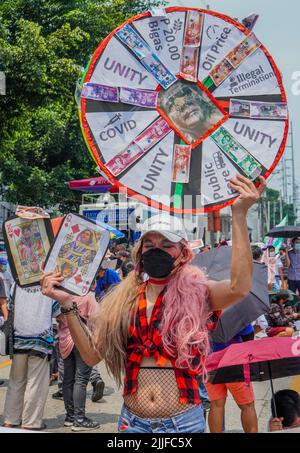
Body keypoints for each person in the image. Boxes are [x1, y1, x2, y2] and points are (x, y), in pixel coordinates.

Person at [41, 175, 266, 434]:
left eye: (166, 245)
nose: (155, 250)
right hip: (132, 423)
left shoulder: (197, 293)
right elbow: (92, 355)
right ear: (140, 252)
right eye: (149, 244)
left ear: (183, 253)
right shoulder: (122, 300)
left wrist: (239, 214)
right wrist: (68, 304)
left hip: (183, 425)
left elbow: (239, 286)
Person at [3, 284, 61, 430]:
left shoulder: (16, 283)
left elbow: (10, 307)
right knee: (35, 383)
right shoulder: (48, 283)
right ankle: (31, 422)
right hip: (40, 338)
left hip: (18, 337)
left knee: (16, 381)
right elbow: (57, 311)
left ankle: (11, 419)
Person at [56, 291, 101, 431]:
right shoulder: (87, 295)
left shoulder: (60, 295)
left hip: (64, 340)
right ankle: (79, 419)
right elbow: (96, 318)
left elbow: (55, 316)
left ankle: (70, 417)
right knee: (81, 379)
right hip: (82, 339)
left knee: (68, 380)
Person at [206, 327, 258, 433]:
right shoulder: (235, 313)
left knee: (216, 405)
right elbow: (248, 334)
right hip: (234, 361)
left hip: (209, 362)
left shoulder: (202, 314)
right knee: (247, 406)